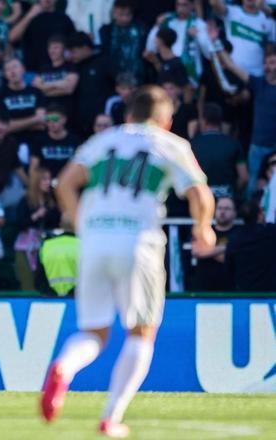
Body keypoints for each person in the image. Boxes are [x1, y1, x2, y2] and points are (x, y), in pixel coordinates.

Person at [40, 85, 215, 437]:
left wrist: (82, 222)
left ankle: (64, 367)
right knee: (142, 331)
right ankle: (111, 417)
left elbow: (65, 183)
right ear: (166, 120)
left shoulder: (103, 140)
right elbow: (199, 193)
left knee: (94, 333)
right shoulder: (170, 144)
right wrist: (203, 228)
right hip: (138, 241)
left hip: (94, 241)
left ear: (128, 113)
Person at [218, 48, 276, 195]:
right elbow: (231, 66)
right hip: (258, 146)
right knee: (251, 186)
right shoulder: (259, 83)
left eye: (272, 63)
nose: (267, 67)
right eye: (265, 63)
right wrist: (216, 43)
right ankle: (249, 208)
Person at [144, 0, 213, 88]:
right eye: (178, 4)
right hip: (168, 71)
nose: (180, 8)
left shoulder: (199, 24)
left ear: (192, 6)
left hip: (190, 74)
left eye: (184, 5)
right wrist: (157, 26)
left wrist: (198, 36)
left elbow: (209, 54)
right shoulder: (167, 21)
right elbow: (150, 48)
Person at [14, 167, 59, 291]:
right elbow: (19, 224)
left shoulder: (52, 201)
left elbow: (56, 222)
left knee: (45, 285)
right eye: (44, 179)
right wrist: (36, 215)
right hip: (25, 248)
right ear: (36, 181)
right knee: (28, 284)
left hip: (47, 247)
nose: (48, 182)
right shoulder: (25, 200)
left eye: (49, 179)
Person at [190, 103, 247, 199]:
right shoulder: (233, 144)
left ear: (203, 121)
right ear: (220, 121)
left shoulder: (191, 145)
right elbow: (244, 177)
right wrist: (232, 190)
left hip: (201, 199)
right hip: (226, 198)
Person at [67, 31, 115, 139]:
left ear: (85, 48)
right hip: (79, 124)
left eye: (73, 51)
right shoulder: (73, 66)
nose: (71, 55)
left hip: (101, 124)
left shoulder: (104, 62)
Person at [210, 0, 275, 77]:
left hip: (257, 76)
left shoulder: (269, 21)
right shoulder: (231, 11)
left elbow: (270, 52)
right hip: (233, 73)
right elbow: (214, 3)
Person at [8, 0, 75, 72]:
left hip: (60, 70)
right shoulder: (28, 16)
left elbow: (73, 45)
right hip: (33, 71)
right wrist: (30, 15)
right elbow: (12, 37)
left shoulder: (64, 19)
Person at [0, 58, 46, 145]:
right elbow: (6, 127)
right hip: (11, 143)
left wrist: (17, 124)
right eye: (8, 69)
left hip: (37, 141)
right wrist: (34, 121)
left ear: (23, 69)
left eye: (15, 67)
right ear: (5, 74)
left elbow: (42, 122)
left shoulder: (36, 92)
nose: (12, 71)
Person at [225, 200, 276, 291]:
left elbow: (229, 267)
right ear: (259, 215)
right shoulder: (271, 232)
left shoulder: (235, 237)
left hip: (244, 292)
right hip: (270, 293)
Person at [191, 196, 237, 292]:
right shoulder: (204, 230)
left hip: (229, 289)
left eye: (227, 208)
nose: (222, 212)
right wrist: (225, 248)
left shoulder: (239, 233)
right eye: (219, 208)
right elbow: (196, 251)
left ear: (234, 213)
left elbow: (227, 259)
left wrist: (207, 249)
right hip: (202, 288)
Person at [99, 0, 147, 82]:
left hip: (137, 76)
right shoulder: (106, 30)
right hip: (112, 77)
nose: (124, 18)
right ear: (114, 12)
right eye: (121, 14)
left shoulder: (141, 28)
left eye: (128, 14)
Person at [29, 104, 81, 177]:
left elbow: (80, 166)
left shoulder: (75, 140)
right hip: (46, 182)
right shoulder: (39, 140)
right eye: (48, 119)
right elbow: (33, 168)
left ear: (64, 119)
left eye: (55, 119)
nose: (51, 122)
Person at [31, 35, 78, 114]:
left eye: (56, 48)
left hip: (67, 111)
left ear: (64, 50)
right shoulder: (43, 68)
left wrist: (44, 88)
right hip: (48, 111)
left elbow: (69, 89)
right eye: (50, 48)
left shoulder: (71, 66)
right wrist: (60, 84)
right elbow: (36, 89)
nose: (52, 51)